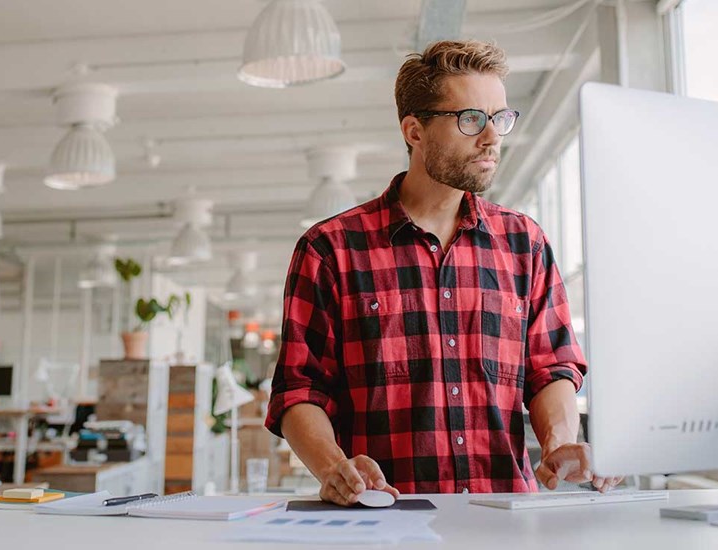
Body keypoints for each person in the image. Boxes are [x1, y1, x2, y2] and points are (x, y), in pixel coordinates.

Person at [265, 40, 623, 506]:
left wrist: (558, 444)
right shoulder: (330, 249)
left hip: (504, 520)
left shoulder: (525, 243)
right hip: (386, 519)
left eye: (499, 118)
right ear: (414, 130)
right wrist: (335, 467)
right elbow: (300, 389)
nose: (491, 137)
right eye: (470, 119)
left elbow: (550, 367)